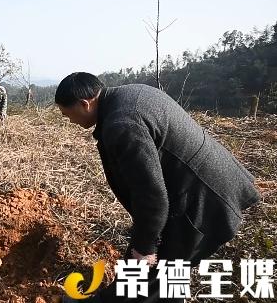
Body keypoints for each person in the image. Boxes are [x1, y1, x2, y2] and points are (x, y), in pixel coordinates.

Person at [56, 72, 260, 302]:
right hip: (205, 186)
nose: (69, 120)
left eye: (67, 114)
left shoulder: (121, 124)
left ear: (85, 103)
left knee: (151, 276)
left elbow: (151, 196)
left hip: (202, 199)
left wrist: (144, 247)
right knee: (163, 276)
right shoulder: (129, 95)